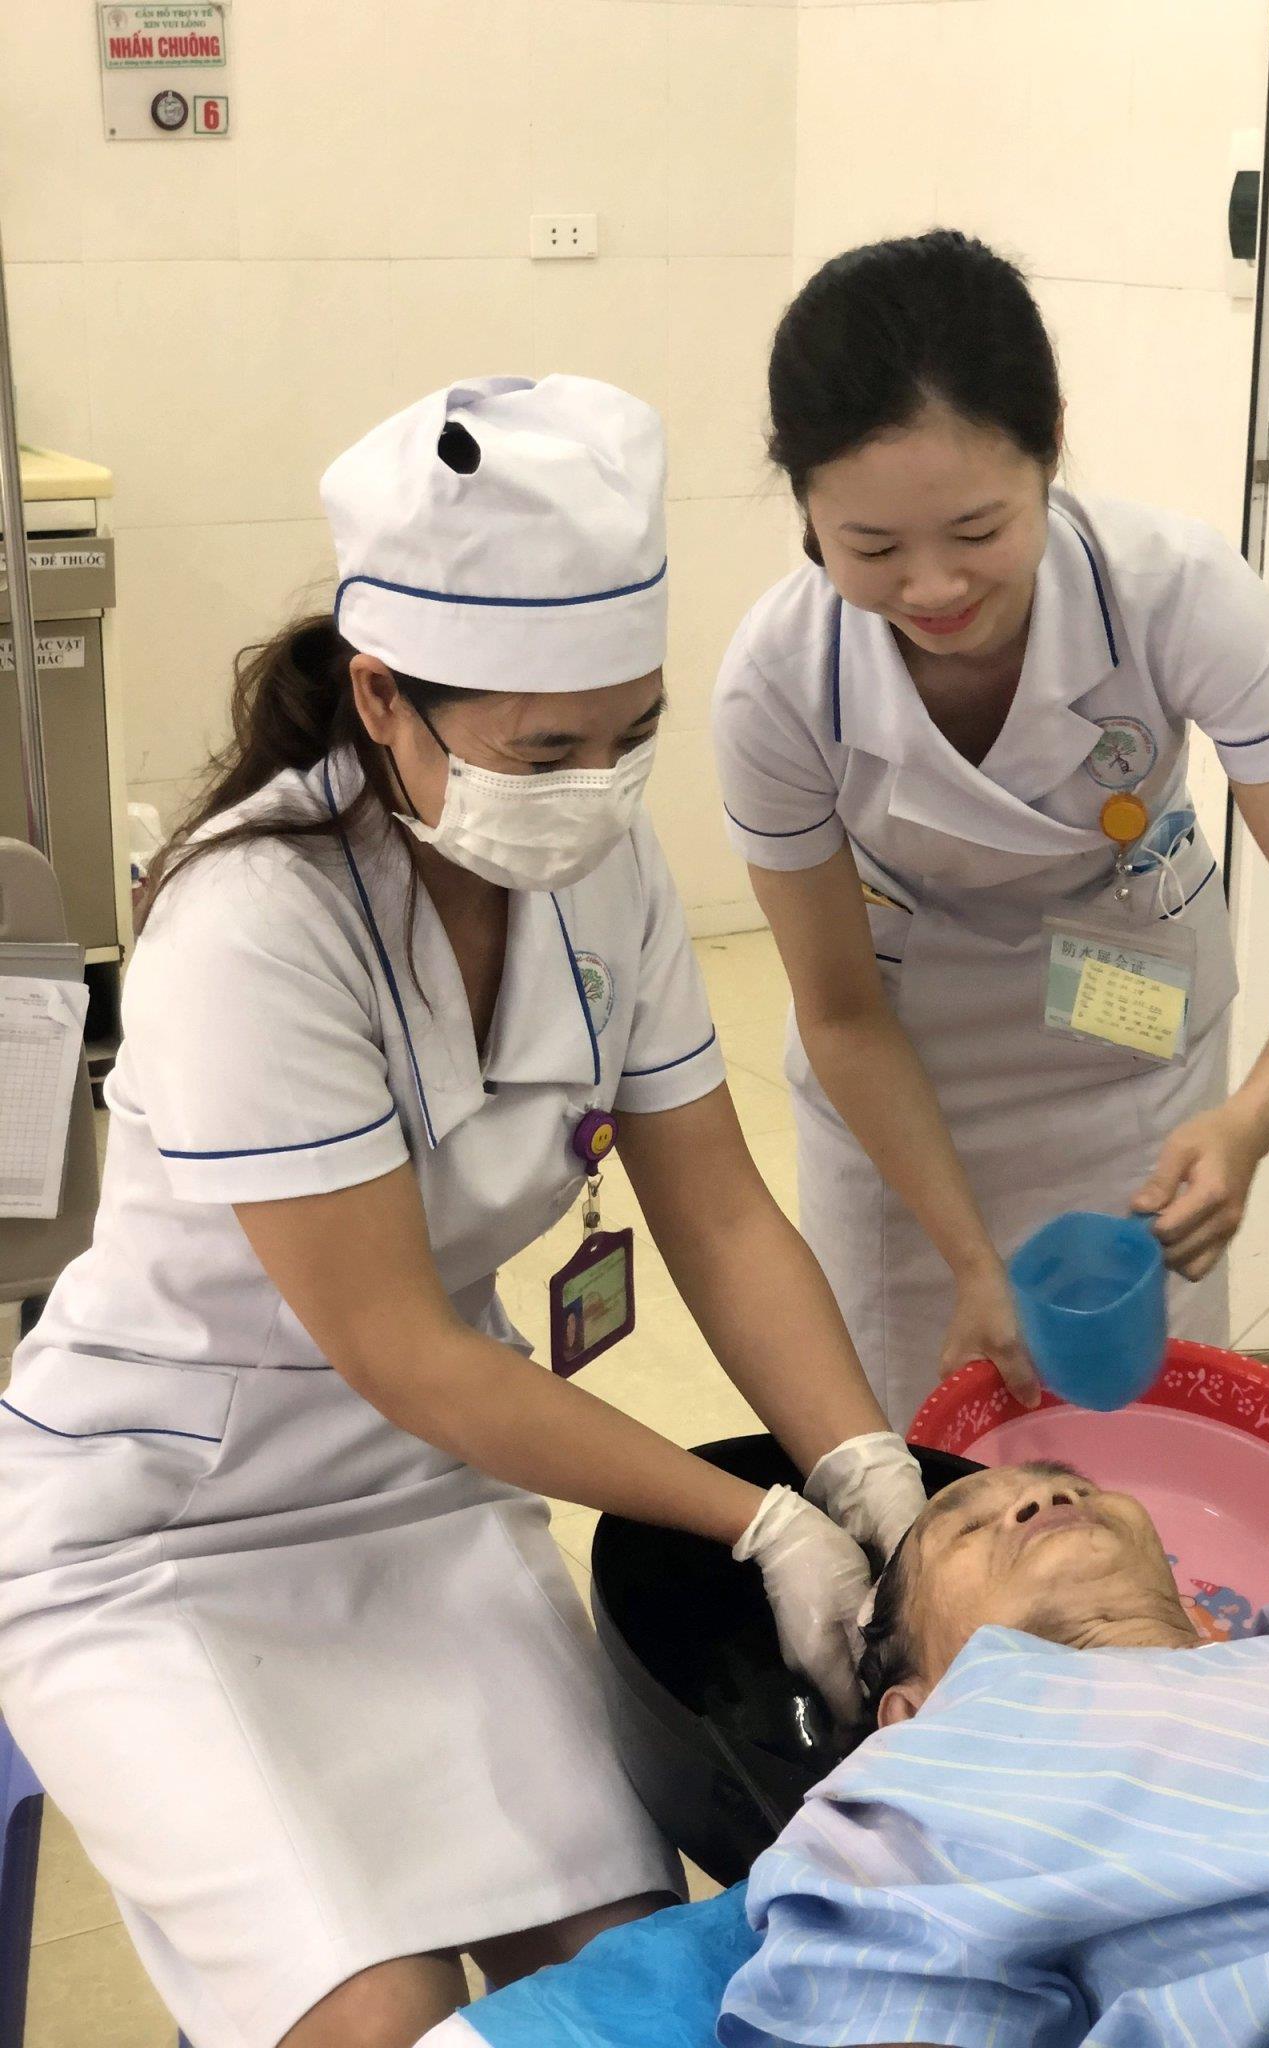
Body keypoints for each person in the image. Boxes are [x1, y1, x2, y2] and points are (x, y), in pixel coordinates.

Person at [0, 376, 930, 2048]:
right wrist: (761, 1523)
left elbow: (721, 1217)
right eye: (545, 750)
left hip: (426, 1499)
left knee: (632, 1974)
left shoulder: (604, 871)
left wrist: (866, 1472)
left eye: (632, 735)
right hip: (159, 1531)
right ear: (385, 696)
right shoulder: (252, 920)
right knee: (379, 2010)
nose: (596, 788)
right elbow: (404, 1349)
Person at [712, 231, 1269, 1429]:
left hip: (1128, 1065)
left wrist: (1245, 1124)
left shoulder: (1177, 594)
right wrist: (968, 1256)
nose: (934, 587)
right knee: (916, 1441)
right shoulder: (777, 682)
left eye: (978, 530)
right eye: (871, 547)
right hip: (900, 1071)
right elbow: (841, 1012)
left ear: (1051, 448)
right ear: (807, 508)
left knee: (1136, 1429)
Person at [717, 1460, 1269, 2048]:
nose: (1047, 1495)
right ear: (911, 1708)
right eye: (967, 1523)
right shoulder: (910, 1783)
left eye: (1077, 1485)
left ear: (1206, 1621)